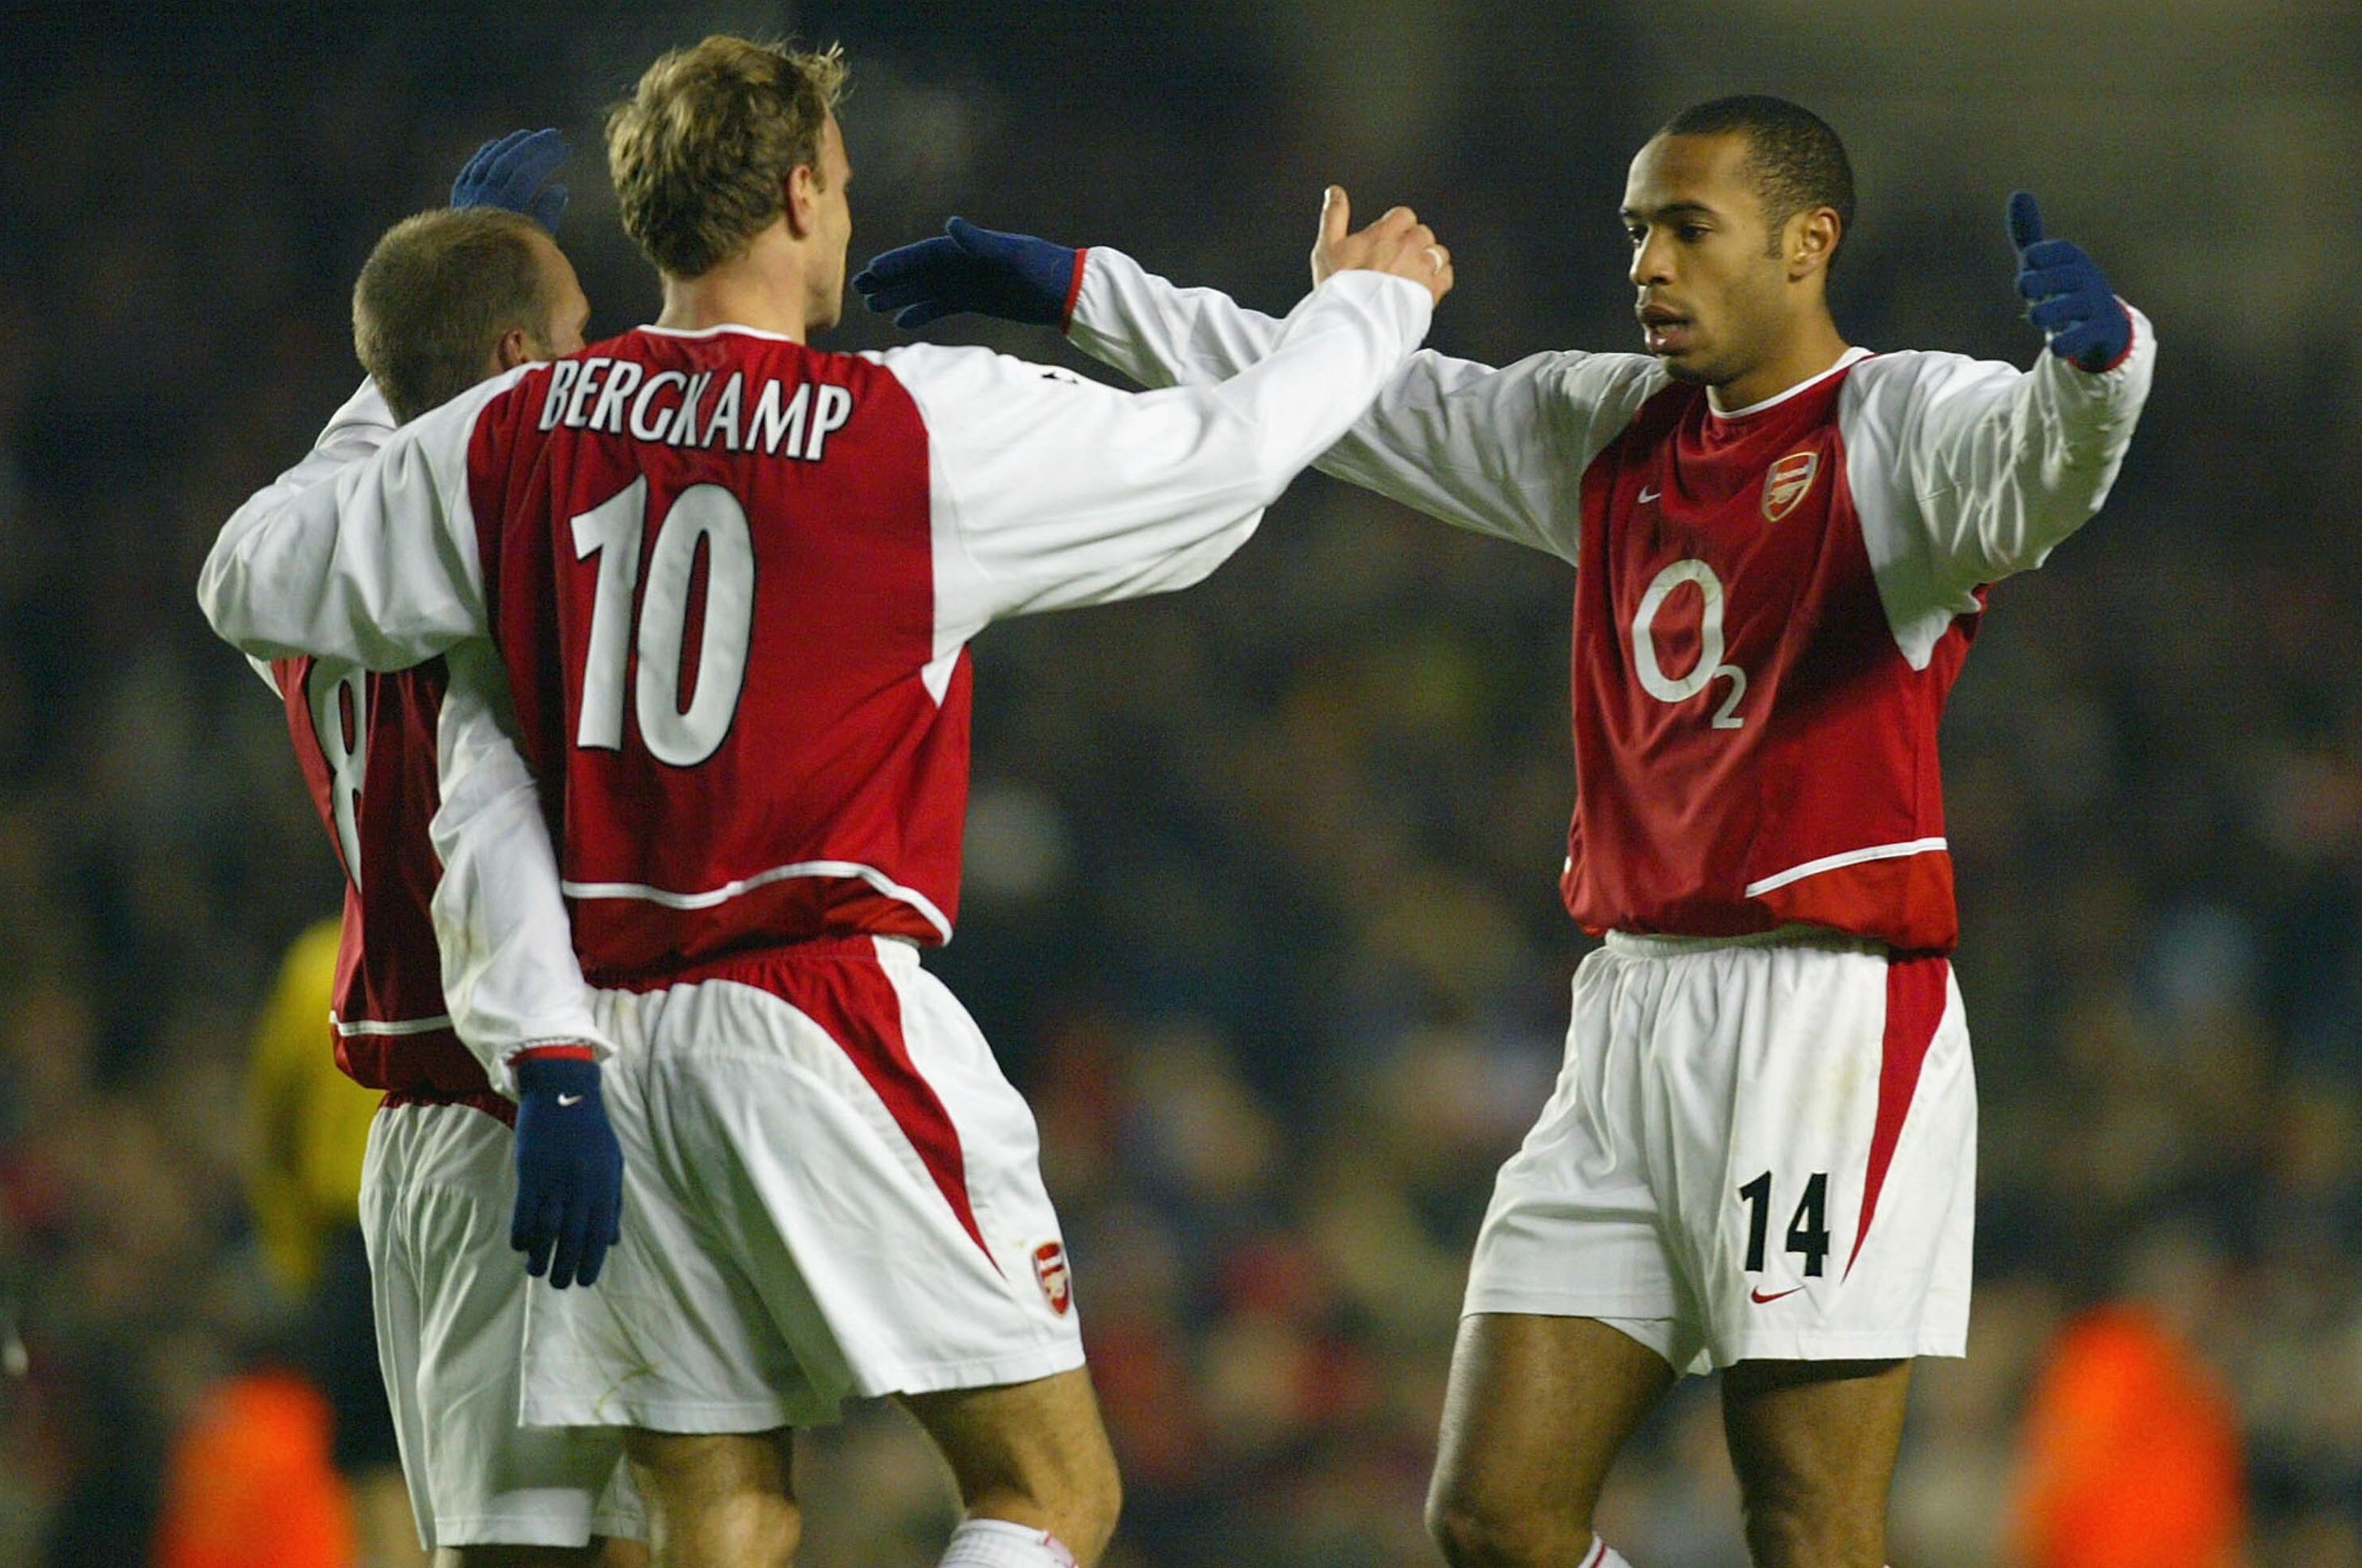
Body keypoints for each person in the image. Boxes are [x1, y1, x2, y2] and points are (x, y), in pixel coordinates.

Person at [196, 34, 1453, 1568]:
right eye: (843, 189)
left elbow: (265, 573)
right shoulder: (912, 423)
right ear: (799, 194)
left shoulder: (511, 429)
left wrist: (407, 336)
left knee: (721, 1508)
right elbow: (1229, 453)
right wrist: (1371, 308)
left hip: (606, 1041)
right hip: (817, 1004)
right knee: (1050, 1488)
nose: (848, 220)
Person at [851, 93, 2155, 1568]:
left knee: (1807, 1519)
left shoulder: (1901, 422)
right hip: (1627, 1015)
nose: (1648, 263)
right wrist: (1080, 291)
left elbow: (2039, 473)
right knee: (1495, 1516)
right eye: (1635, 230)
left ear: (1809, 242)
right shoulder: (1606, 424)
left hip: (1823, 1029)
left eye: (1688, 227)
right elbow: (1362, 401)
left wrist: (2097, 368)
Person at [247, 129, 649, 1565]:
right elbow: (503, 819)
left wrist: (400, 356)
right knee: (547, 1544)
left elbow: (339, 474)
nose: (592, 364)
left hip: (406, 1149)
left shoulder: (312, 583)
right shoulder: (487, 579)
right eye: (571, 342)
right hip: (510, 1112)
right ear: (507, 362)